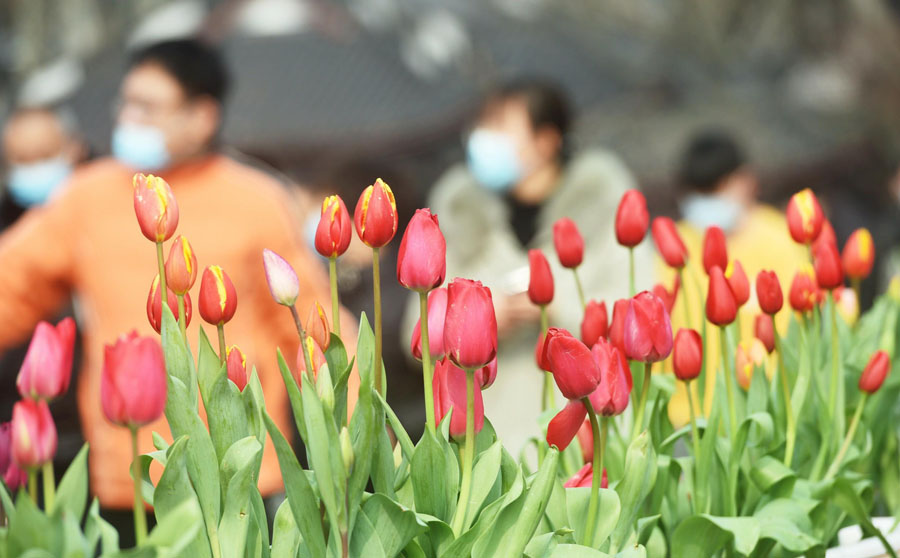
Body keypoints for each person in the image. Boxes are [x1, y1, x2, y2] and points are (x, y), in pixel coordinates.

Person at [0, 39, 356, 526]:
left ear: (202, 116)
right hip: (127, 474)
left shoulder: (256, 199)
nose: (128, 117)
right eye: (126, 102)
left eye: (147, 107)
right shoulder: (84, 199)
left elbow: (312, 328)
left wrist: (356, 435)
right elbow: (11, 286)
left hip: (241, 474)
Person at [427, 79, 651, 455]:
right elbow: (418, 329)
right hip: (482, 437)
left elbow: (639, 315)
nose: (482, 137)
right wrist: (480, 316)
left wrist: (556, 310)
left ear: (546, 141)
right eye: (483, 124)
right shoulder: (459, 213)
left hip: (587, 429)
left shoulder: (603, 209)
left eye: (500, 126)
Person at [660, 129, 807, 426]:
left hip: (763, 410)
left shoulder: (781, 239)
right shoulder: (677, 245)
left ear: (747, 181)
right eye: (700, 193)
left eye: (719, 188)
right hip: (687, 413)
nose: (709, 201)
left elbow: (798, 328)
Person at [0, 105, 88, 482]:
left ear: (73, 149)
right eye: (21, 159)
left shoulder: (102, 214)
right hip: (13, 414)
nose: (32, 167)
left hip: (92, 419)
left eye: (44, 155)